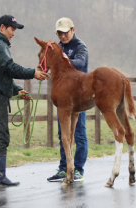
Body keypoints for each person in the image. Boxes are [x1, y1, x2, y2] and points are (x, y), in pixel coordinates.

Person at [0, 14, 49, 187]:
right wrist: (32, 73)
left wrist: (17, 89)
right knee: (0, 137)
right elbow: (9, 67)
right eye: (12, 29)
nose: (14, 33)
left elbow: (2, 73)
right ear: (2, 28)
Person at [47, 17, 89, 182]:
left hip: (79, 96)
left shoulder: (80, 46)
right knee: (62, 134)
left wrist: (66, 60)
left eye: (65, 32)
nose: (62, 36)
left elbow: (81, 62)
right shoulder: (58, 47)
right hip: (64, 98)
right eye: (59, 33)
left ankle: (78, 169)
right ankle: (64, 168)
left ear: (73, 30)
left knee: (78, 134)